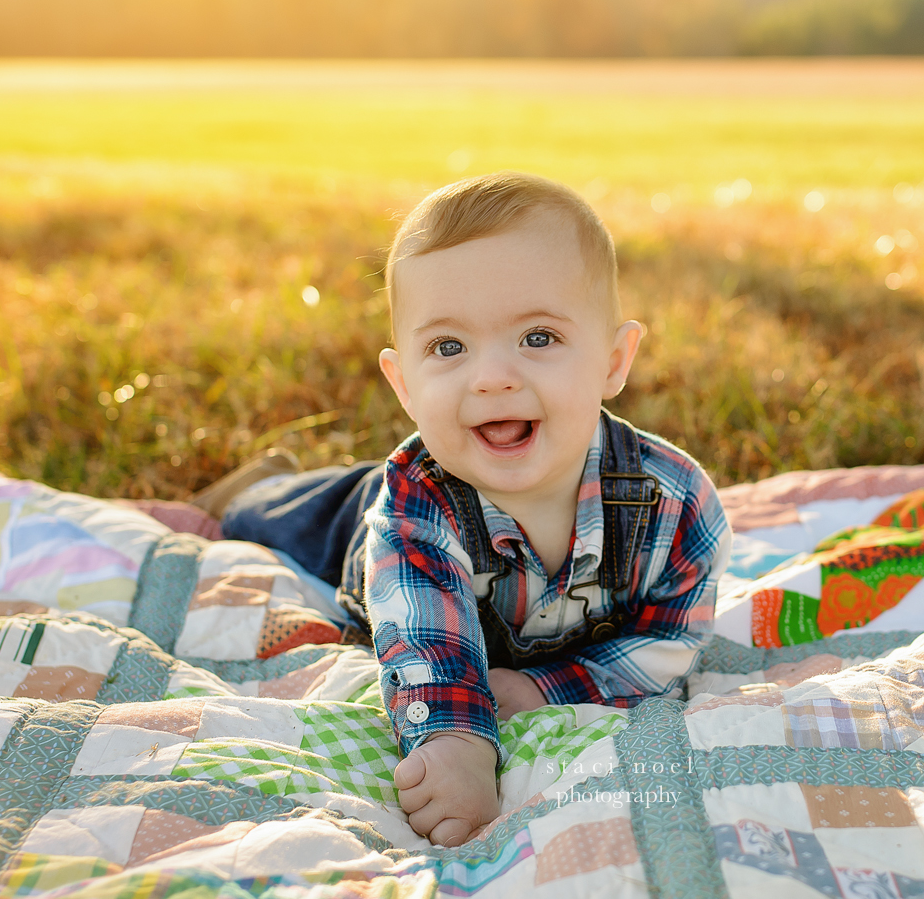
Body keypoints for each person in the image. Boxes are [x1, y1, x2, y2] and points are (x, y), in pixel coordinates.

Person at [204, 173, 729, 847]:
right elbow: (425, 640)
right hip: (371, 525)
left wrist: (549, 687)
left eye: (538, 337)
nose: (491, 376)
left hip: (493, 570)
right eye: (448, 347)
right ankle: (255, 486)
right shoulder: (412, 501)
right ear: (404, 384)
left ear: (614, 359)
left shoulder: (673, 502)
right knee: (282, 514)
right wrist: (454, 741)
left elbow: (672, 636)